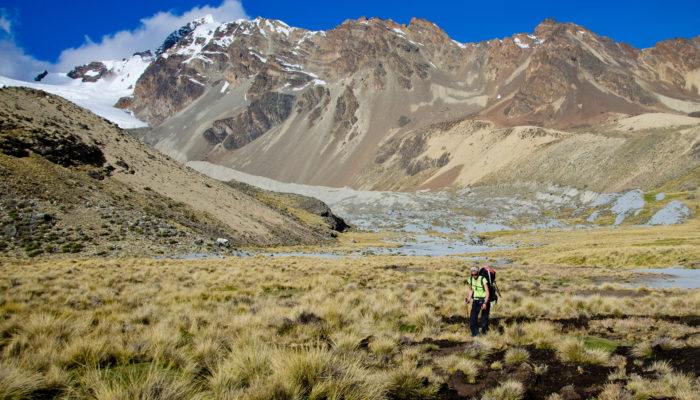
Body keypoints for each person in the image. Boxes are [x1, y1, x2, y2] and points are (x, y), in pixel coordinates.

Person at [465, 266, 490, 337]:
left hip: (484, 299)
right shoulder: (471, 280)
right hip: (475, 300)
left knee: (484, 318)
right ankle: (475, 334)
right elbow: (471, 290)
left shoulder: (483, 279)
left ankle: (484, 333)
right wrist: (469, 299)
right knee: (473, 317)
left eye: (475, 274)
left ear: (478, 273)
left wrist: (485, 303)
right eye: (472, 275)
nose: (474, 276)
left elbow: (487, 292)